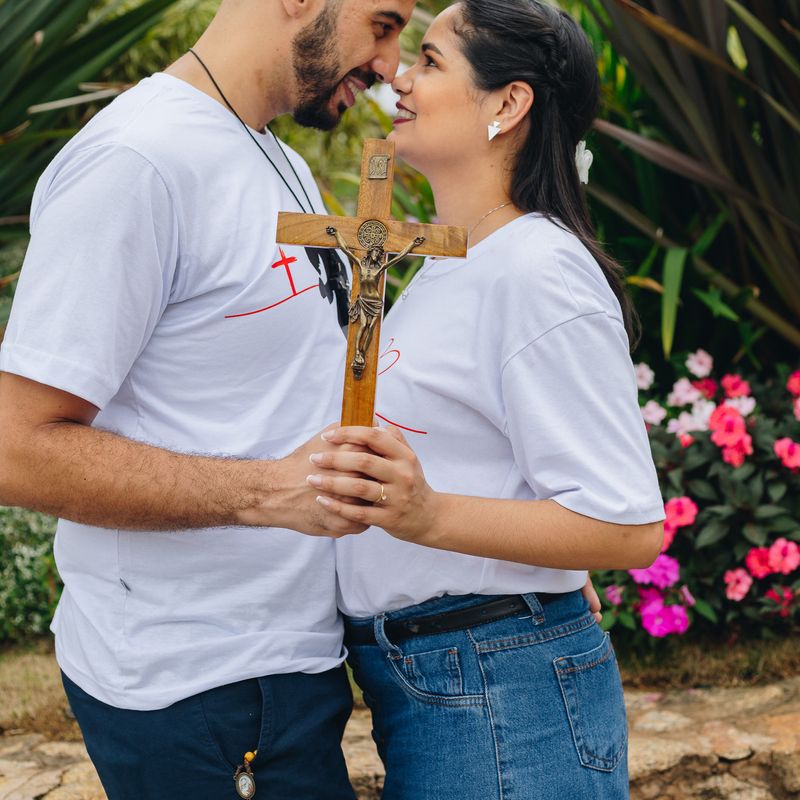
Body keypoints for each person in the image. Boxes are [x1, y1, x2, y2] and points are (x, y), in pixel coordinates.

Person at [0, 1, 418, 798]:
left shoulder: (269, 155)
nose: (392, 65)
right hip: (193, 689)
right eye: (385, 23)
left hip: (285, 670)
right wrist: (269, 493)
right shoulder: (139, 160)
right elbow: (15, 448)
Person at [305, 2, 666, 798]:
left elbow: (630, 525)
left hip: (500, 687)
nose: (398, 76)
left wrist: (427, 514)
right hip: (447, 678)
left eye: (430, 61)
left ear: (507, 104)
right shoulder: (455, 264)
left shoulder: (538, 273)